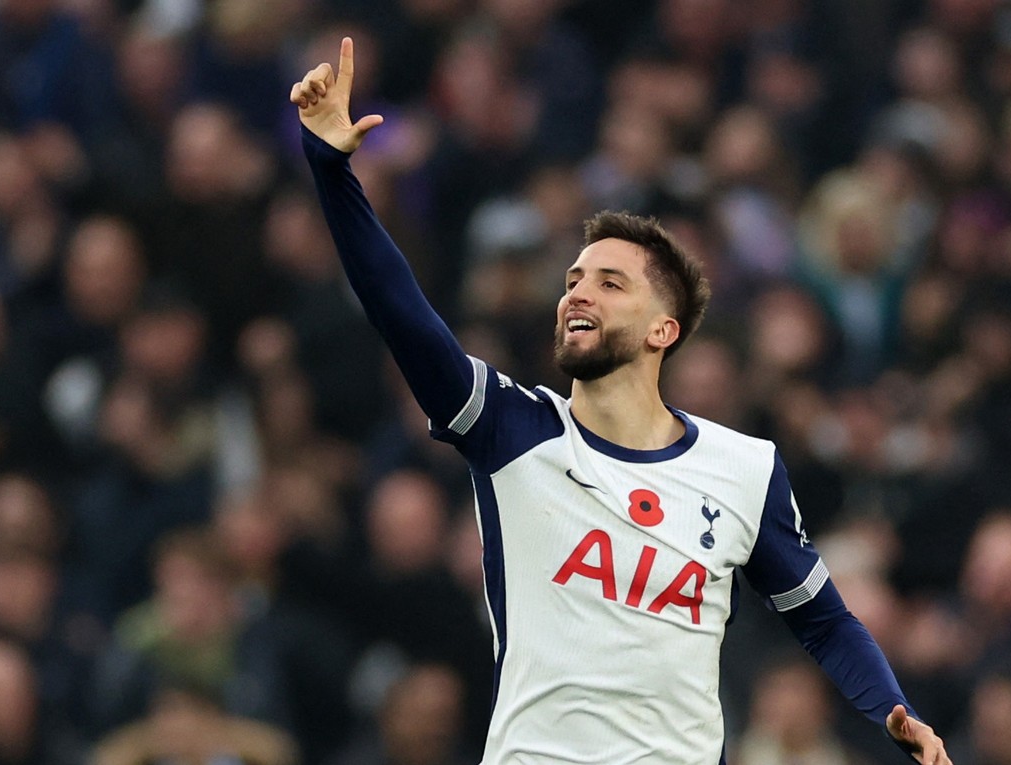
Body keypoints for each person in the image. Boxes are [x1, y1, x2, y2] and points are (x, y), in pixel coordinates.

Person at [290, 39, 952, 765]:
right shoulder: (513, 429)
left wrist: (896, 710)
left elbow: (823, 621)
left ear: (663, 330)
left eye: (610, 282)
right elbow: (400, 310)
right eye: (574, 277)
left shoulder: (745, 468)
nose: (576, 290)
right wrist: (333, 171)